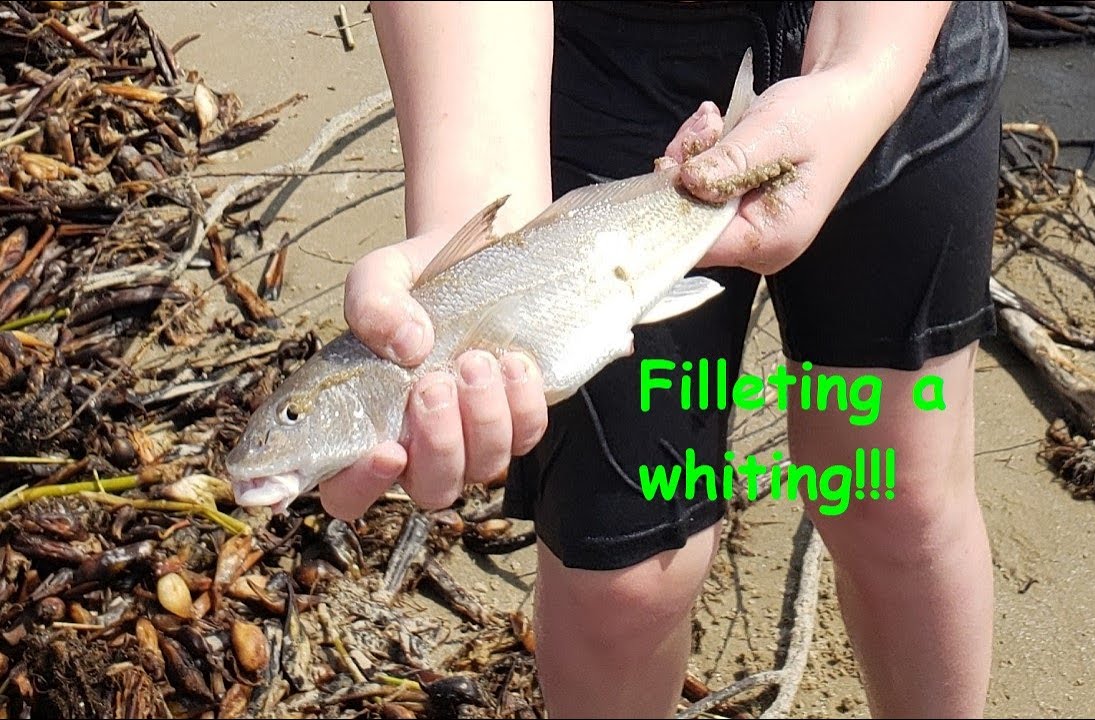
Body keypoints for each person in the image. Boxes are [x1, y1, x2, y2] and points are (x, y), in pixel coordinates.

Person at [322, 2, 1008, 717]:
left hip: (897, 30)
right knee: (626, 583)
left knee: (895, 497)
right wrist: (470, 225)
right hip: (586, 61)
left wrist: (864, 73)